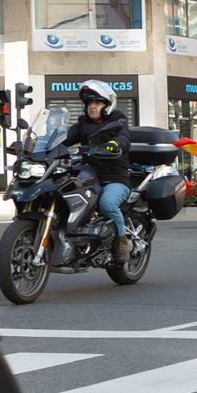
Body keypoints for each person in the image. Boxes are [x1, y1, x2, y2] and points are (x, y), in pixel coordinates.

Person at [58, 78, 135, 260]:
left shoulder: (119, 119)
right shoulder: (83, 123)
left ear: (107, 104)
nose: (92, 106)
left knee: (107, 204)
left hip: (115, 178)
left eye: (97, 102)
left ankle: (121, 240)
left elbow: (124, 137)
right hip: (89, 174)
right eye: (89, 102)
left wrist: (114, 144)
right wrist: (42, 145)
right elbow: (65, 138)